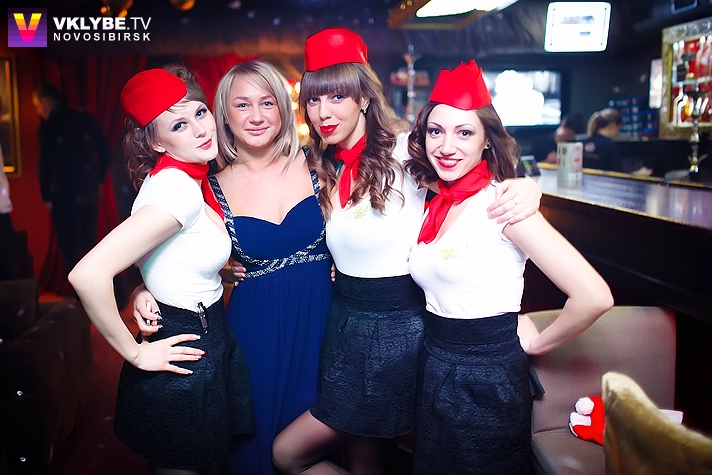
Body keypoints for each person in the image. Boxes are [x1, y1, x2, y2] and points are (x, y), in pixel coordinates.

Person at [271, 28, 543, 475]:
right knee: (365, 461)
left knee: (289, 454)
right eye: (314, 99)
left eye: (337, 96)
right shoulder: (322, 165)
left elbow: (472, 179)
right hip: (345, 327)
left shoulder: (406, 150)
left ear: (364, 96)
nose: (323, 112)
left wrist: (526, 188)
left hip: (396, 332)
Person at [404, 59, 614, 474]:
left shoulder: (504, 206)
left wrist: (538, 343)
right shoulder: (434, 197)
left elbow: (594, 296)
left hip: (486, 379)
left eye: (465, 132)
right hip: (434, 364)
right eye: (436, 131)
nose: (446, 146)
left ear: (487, 140)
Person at [132, 60, 333, 475]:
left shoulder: (321, 163)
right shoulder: (204, 185)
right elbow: (159, 252)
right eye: (242, 105)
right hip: (253, 333)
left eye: (267, 103)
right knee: (253, 452)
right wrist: (141, 289)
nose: (256, 116)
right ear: (223, 114)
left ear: (283, 108)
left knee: (311, 448)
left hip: (323, 325)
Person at [68, 66, 254, 475]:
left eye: (200, 113)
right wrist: (135, 353)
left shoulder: (181, 179)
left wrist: (211, 274)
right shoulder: (176, 191)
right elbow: (87, 274)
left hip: (205, 335)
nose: (200, 129)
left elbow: (161, 254)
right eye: (179, 125)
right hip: (185, 345)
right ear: (154, 141)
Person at [34, 83, 112, 277]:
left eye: (37, 105)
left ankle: (79, 292)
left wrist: (46, 196)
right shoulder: (85, 119)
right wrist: (98, 180)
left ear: (46, 101)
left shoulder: (49, 127)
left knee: (70, 251)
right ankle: (109, 288)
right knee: (90, 246)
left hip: (65, 195)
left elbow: (45, 164)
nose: (38, 111)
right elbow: (106, 152)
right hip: (89, 192)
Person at [582, 107, 623, 171]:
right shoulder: (611, 146)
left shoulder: (583, 143)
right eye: (618, 129)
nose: (617, 133)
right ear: (613, 125)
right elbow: (617, 174)